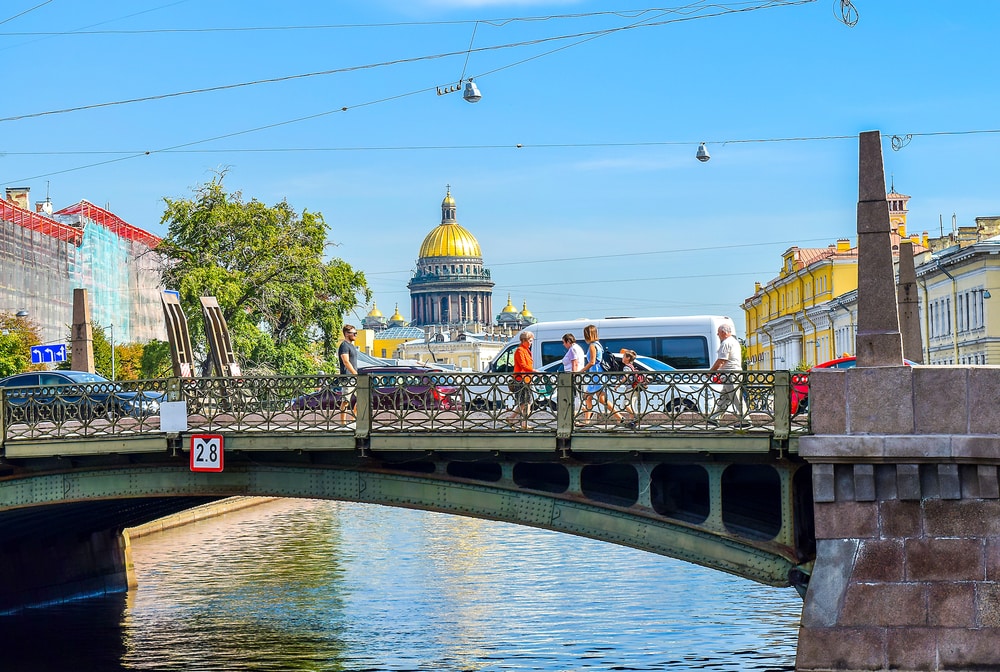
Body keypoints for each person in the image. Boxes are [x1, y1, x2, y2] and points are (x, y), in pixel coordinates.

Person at [579, 324, 623, 425]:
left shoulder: (592, 346)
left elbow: (592, 362)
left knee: (588, 398)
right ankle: (619, 417)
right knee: (599, 399)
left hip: (595, 375)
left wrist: (582, 371)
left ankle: (587, 421)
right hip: (599, 374)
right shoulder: (598, 345)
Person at [707, 323, 745, 427]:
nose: (717, 335)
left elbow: (721, 361)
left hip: (730, 374)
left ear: (723, 332)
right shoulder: (734, 342)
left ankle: (746, 420)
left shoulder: (726, 343)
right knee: (724, 397)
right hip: (732, 373)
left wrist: (711, 372)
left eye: (718, 333)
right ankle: (714, 418)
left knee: (736, 397)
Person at [509, 330, 535, 430]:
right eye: (530, 341)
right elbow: (523, 365)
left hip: (527, 378)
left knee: (527, 402)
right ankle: (513, 418)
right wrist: (534, 371)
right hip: (521, 379)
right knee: (525, 402)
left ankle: (523, 423)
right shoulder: (520, 350)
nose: (531, 343)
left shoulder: (526, 350)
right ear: (525, 340)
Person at [338, 324, 359, 425]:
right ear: (347, 334)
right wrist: (355, 374)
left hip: (354, 378)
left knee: (362, 399)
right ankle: (343, 423)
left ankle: (353, 420)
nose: (355, 335)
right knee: (346, 400)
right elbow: (346, 361)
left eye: (356, 333)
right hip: (347, 377)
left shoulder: (352, 346)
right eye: (354, 333)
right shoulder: (344, 346)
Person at [618, 349, 642, 429]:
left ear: (628, 358)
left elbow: (626, 376)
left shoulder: (626, 367)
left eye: (624, 356)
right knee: (631, 405)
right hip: (635, 388)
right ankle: (633, 423)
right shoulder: (632, 366)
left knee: (626, 405)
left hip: (630, 389)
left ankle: (636, 419)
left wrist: (618, 384)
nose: (622, 358)